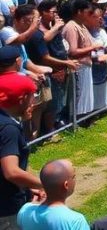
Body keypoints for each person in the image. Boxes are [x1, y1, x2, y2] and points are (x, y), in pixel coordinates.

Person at [0, 73, 40, 229]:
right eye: (32, 96)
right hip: (7, 207)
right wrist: (45, 184)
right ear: (22, 98)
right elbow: (11, 172)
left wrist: (29, 186)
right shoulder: (9, 129)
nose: (34, 99)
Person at [16, 159, 88, 230]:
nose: (75, 179)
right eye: (73, 177)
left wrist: (34, 204)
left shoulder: (25, 210)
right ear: (66, 185)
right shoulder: (76, 221)